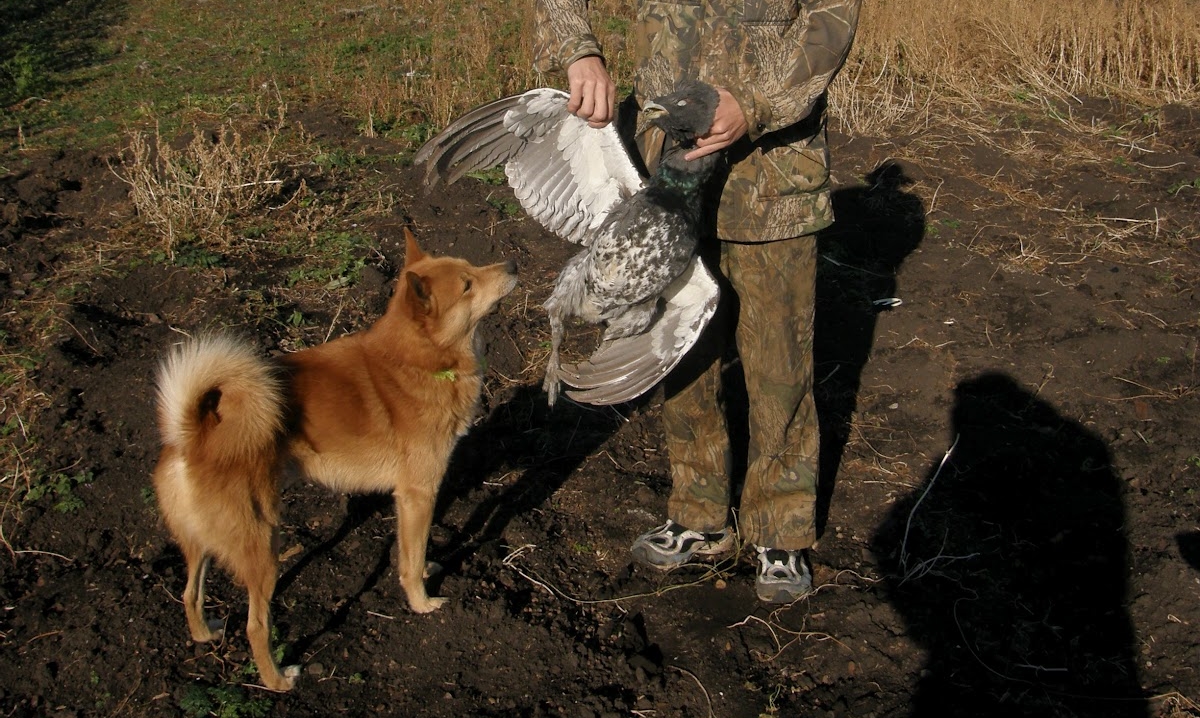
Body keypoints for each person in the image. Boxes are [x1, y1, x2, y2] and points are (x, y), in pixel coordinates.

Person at [534, 0, 862, 603]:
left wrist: (755, 104)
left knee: (779, 364)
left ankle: (779, 532)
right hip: (661, 179)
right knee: (681, 353)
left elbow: (831, 18)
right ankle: (697, 516)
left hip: (772, 178)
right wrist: (578, 49)